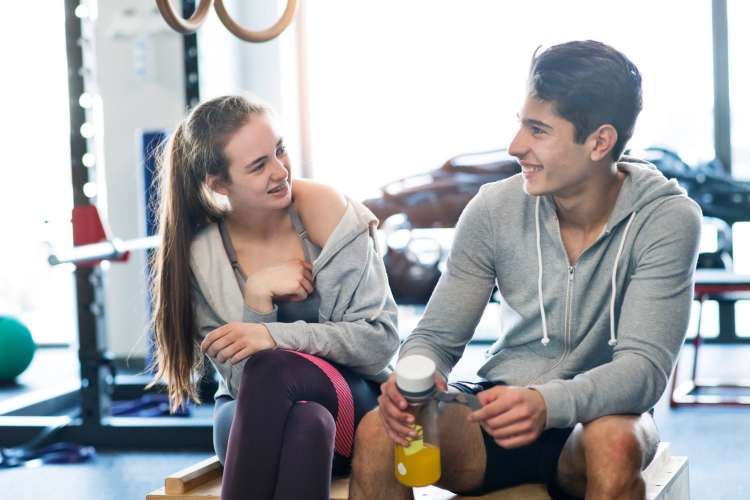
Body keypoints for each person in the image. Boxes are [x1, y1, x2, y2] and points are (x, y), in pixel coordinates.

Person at [350, 40, 702, 500]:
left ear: (600, 141)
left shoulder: (668, 219)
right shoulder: (494, 207)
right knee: (380, 431)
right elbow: (436, 337)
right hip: (502, 402)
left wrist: (548, 403)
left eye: (539, 131)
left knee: (614, 444)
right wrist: (414, 374)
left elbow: (643, 370)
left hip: (600, 417)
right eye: (521, 125)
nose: (516, 147)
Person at [148, 95, 400, 500]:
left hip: (353, 403)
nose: (280, 171)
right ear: (219, 184)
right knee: (305, 424)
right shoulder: (203, 257)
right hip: (250, 415)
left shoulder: (325, 212)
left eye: (279, 149)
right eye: (258, 165)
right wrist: (257, 296)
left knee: (275, 369)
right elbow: (237, 378)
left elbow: (380, 343)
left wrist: (273, 336)